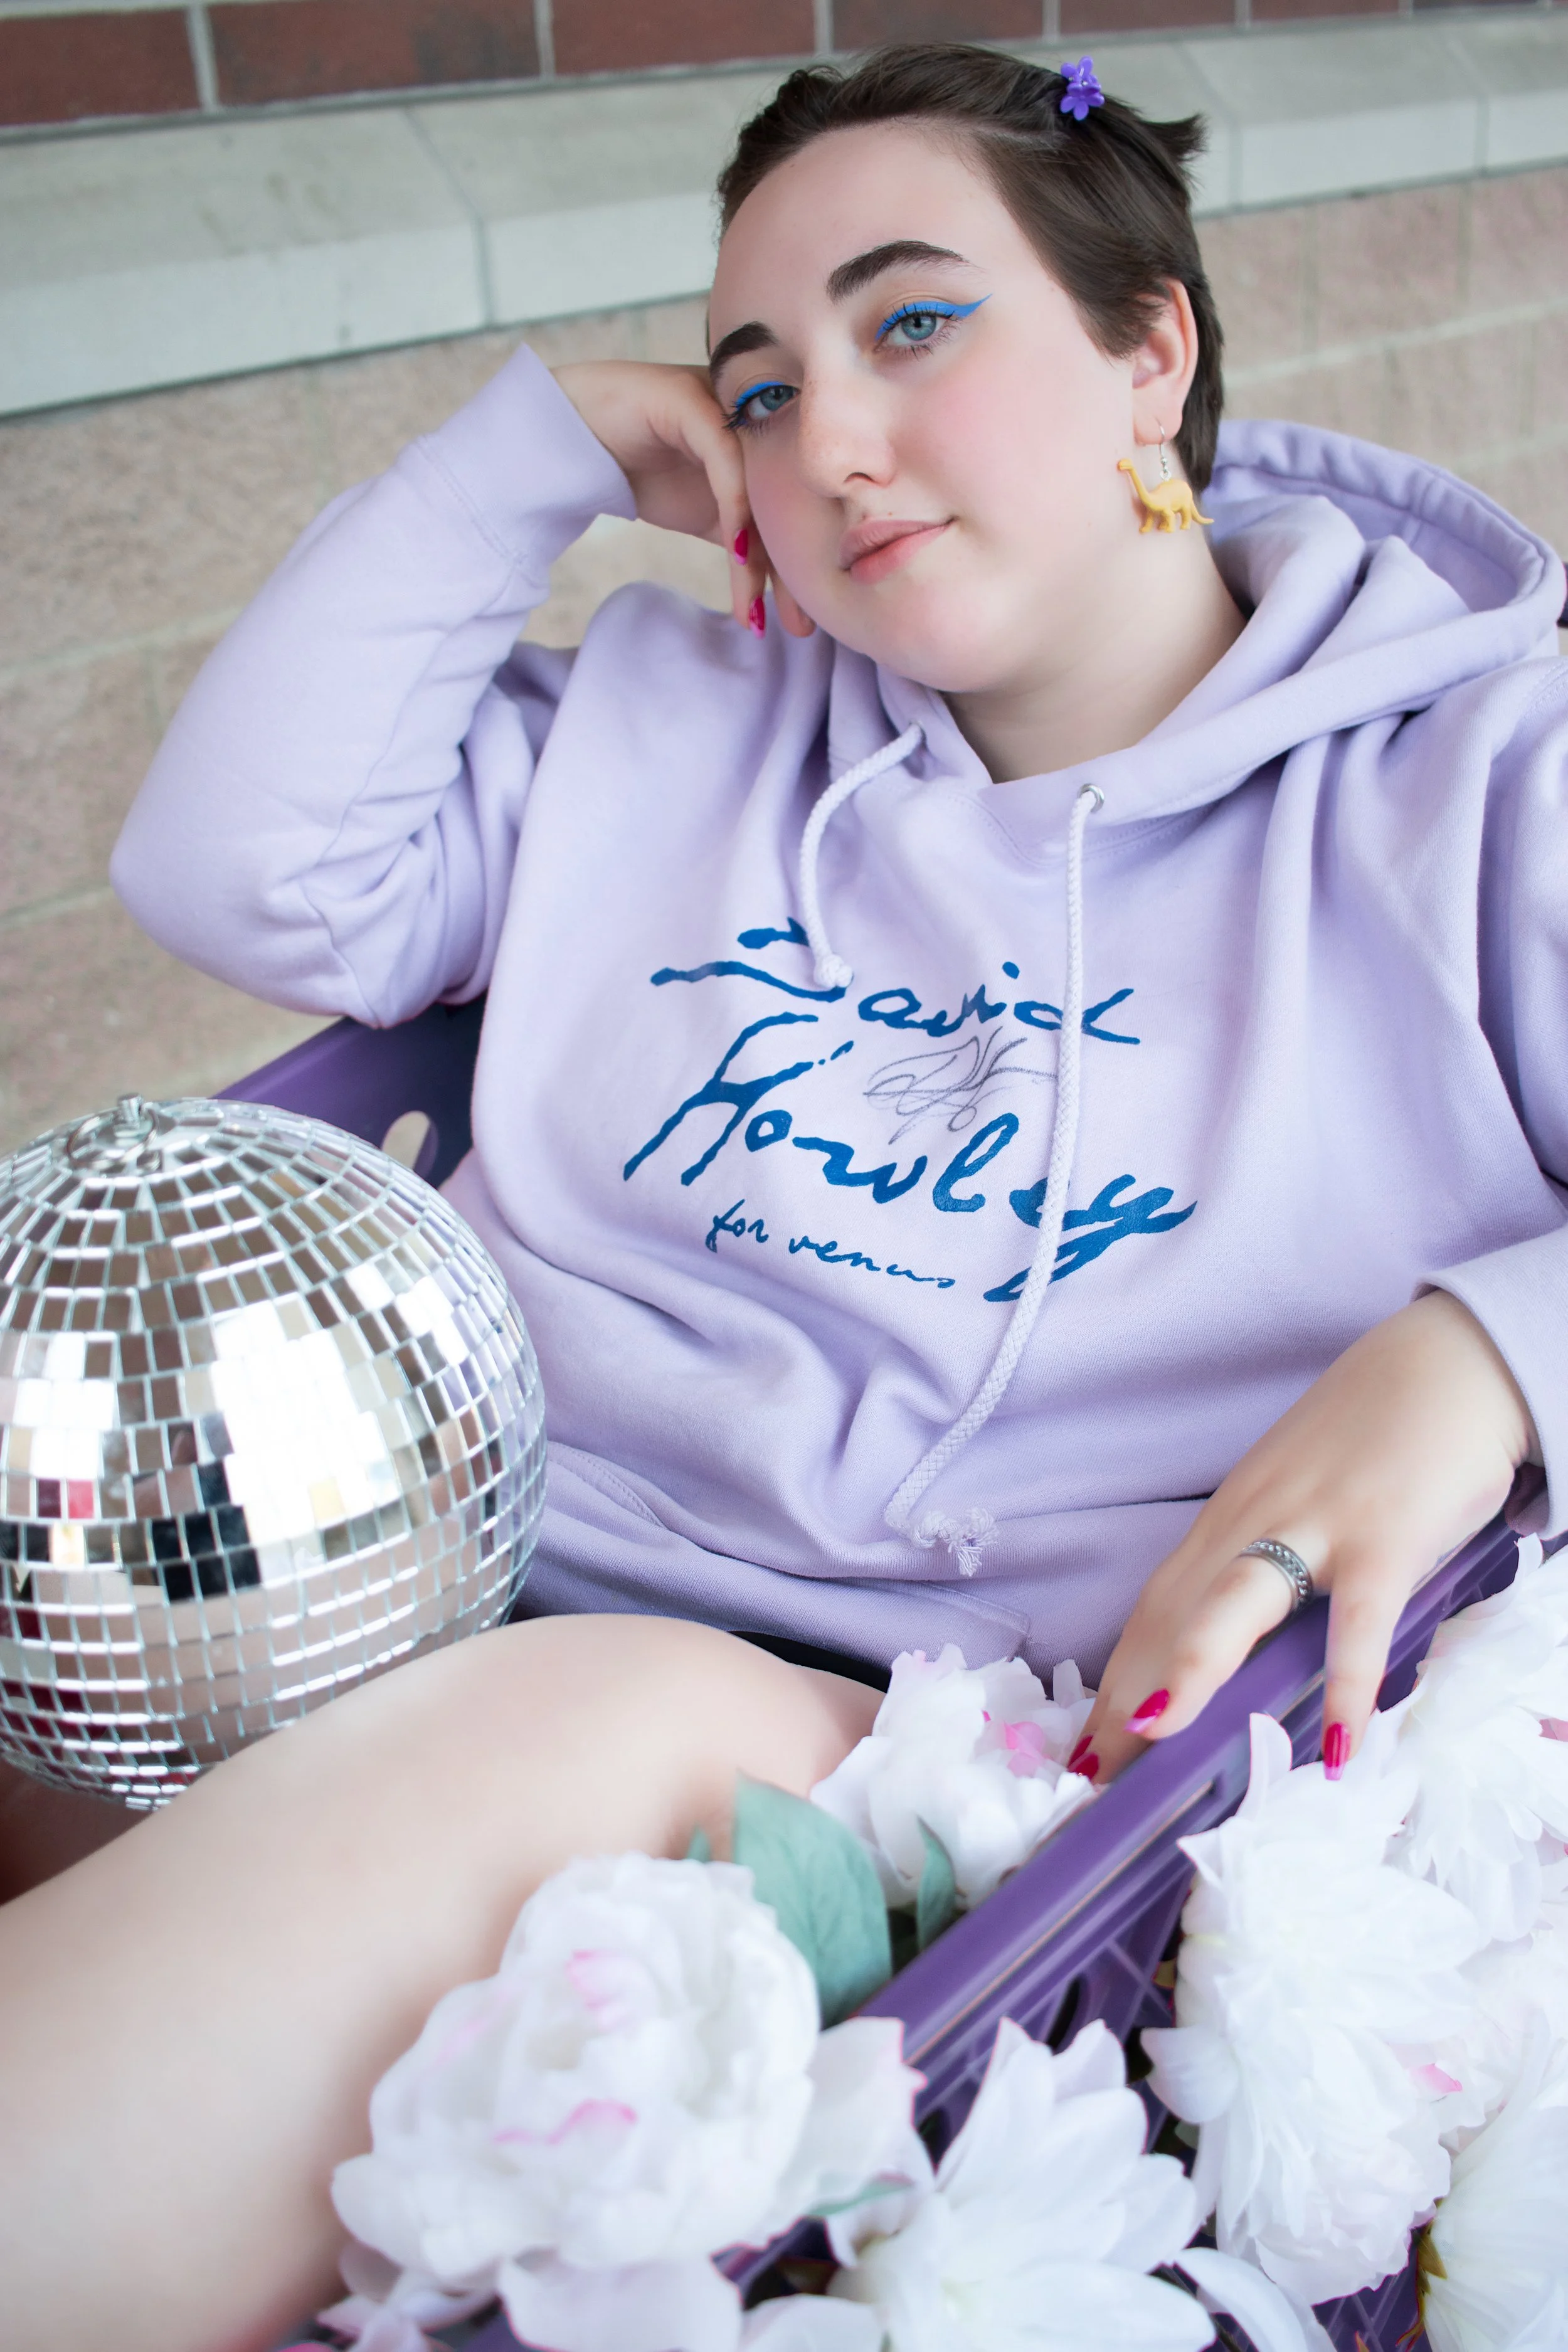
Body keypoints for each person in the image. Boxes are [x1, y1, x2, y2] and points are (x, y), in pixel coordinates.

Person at [2, 42, 1563, 2351]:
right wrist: (540, 450)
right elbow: (234, 870)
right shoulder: (680, 714)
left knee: (547, 1739)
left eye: (912, 322)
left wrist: (1485, 1349)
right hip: (451, 1598)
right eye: (751, 382)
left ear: (1151, 351)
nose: (822, 440)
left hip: (952, 1762)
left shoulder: (1474, 775)